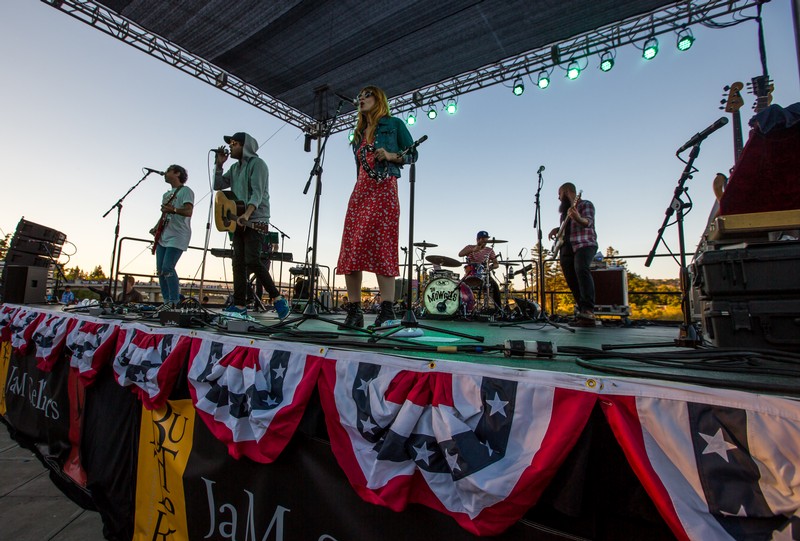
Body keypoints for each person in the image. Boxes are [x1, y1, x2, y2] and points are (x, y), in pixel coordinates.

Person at [336, 86, 417, 328]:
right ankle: (354, 311)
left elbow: (413, 153)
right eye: (359, 95)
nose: (361, 98)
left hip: (384, 190)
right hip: (360, 193)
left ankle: (387, 311)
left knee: (383, 246)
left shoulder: (394, 124)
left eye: (367, 94)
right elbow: (359, 169)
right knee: (352, 248)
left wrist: (392, 156)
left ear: (379, 99)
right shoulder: (359, 134)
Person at [214, 132, 289, 319]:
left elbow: (258, 192)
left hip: (255, 219)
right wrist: (219, 165)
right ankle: (239, 305)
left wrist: (247, 214)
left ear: (245, 146)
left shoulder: (258, 164)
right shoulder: (234, 168)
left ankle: (278, 298)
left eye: (234, 143)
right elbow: (217, 185)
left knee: (252, 260)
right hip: (239, 219)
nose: (230, 147)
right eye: (230, 144)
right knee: (237, 262)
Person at [548, 182, 597, 326]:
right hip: (567, 247)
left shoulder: (585, 204)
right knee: (571, 278)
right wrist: (557, 229)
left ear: (567, 191)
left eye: (559, 194)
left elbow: (587, 222)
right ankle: (582, 312)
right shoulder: (565, 213)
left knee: (581, 269)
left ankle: (588, 310)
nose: (558, 198)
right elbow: (568, 227)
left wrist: (577, 217)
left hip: (584, 244)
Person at [154, 165, 194, 308]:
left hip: (178, 235)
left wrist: (174, 209)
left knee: (167, 267)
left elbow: (189, 211)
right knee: (160, 269)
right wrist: (156, 227)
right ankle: (166, 301)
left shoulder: (186, 191)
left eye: (168, 171)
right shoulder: (166, 195)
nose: (165, 173)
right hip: (164, 235)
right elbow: (164, 214)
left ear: (177, 173)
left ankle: (174, 301)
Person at [458, 230, 502, 310]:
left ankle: (498, 309)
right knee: (458, 287)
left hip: (485, 274)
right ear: (478, 239)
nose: (485, 242)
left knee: (495, 287)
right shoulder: (470, 247)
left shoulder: (490, 250)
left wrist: (490, 268)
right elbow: (460, 254)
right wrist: (474, 249)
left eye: (486, 240)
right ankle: (461, 309)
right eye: (483, 240)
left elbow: (496, 264)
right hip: (470, 273)